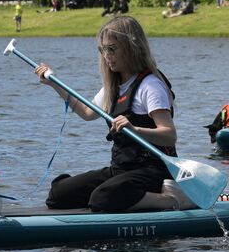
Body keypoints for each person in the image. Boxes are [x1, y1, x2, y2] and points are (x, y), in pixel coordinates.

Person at [33, 16, 194, 212]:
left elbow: (169, 135)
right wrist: (54, 83)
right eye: (103, 50)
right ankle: (123, 196)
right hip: (121, 170)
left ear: (132, 47)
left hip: (154, 171)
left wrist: (135, 129)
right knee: (57, 195)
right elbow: (86, 112)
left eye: (112, 49)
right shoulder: (113, 87)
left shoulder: (150, 86)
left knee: (102, 198)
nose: (106, 55)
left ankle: (171, 199)